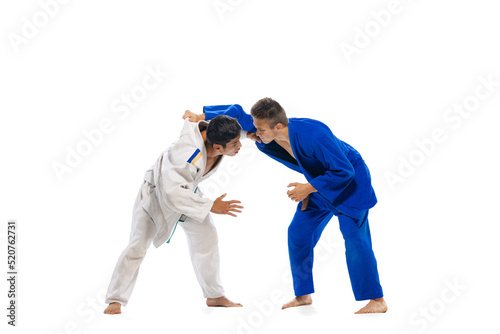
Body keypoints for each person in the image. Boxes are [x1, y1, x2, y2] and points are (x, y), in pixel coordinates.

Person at [183, 98, 388, 314]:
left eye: (260, 129)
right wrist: (201, 117)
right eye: (256, 127)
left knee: (355, 240)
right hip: (318, 183)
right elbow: (237, 113)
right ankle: (303, 295)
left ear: (278, 126)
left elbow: (344, 171)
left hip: (350, 183)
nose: (255, 133)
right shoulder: (268, 129)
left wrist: (308, 188)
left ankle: (377, 300)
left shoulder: (315, 134)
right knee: (298, 233)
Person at [104, 115, 245, 315]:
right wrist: (211, 206)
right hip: (157, 196)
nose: (240, 145)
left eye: (239, 139)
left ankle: (214, 295)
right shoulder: (188, 153)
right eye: (235, 143)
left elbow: (234, 129)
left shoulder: (217, 133)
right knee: (137, 245)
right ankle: (115, 300)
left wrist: (255, 133)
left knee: (207, 237)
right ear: (218, 147)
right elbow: (171, 192)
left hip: (189, 193)